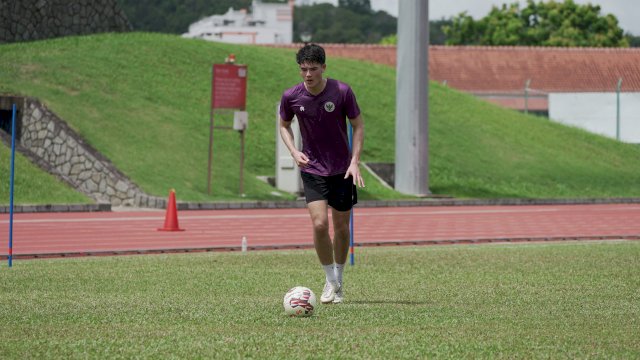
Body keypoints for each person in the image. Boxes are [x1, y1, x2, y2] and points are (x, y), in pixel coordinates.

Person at [279, 44, 365, 304]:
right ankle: (329, 280)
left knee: (340, 227)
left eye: (313, 69)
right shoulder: (291, 96)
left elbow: (358, 125)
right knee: (319, 224)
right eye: (303, 69)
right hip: (313, 168)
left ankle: (339, 277)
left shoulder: (341, 91)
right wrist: (294, 151)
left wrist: (355, 161)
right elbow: (284, 125)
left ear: (324, 68)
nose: (307, 74)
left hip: (342, 170)